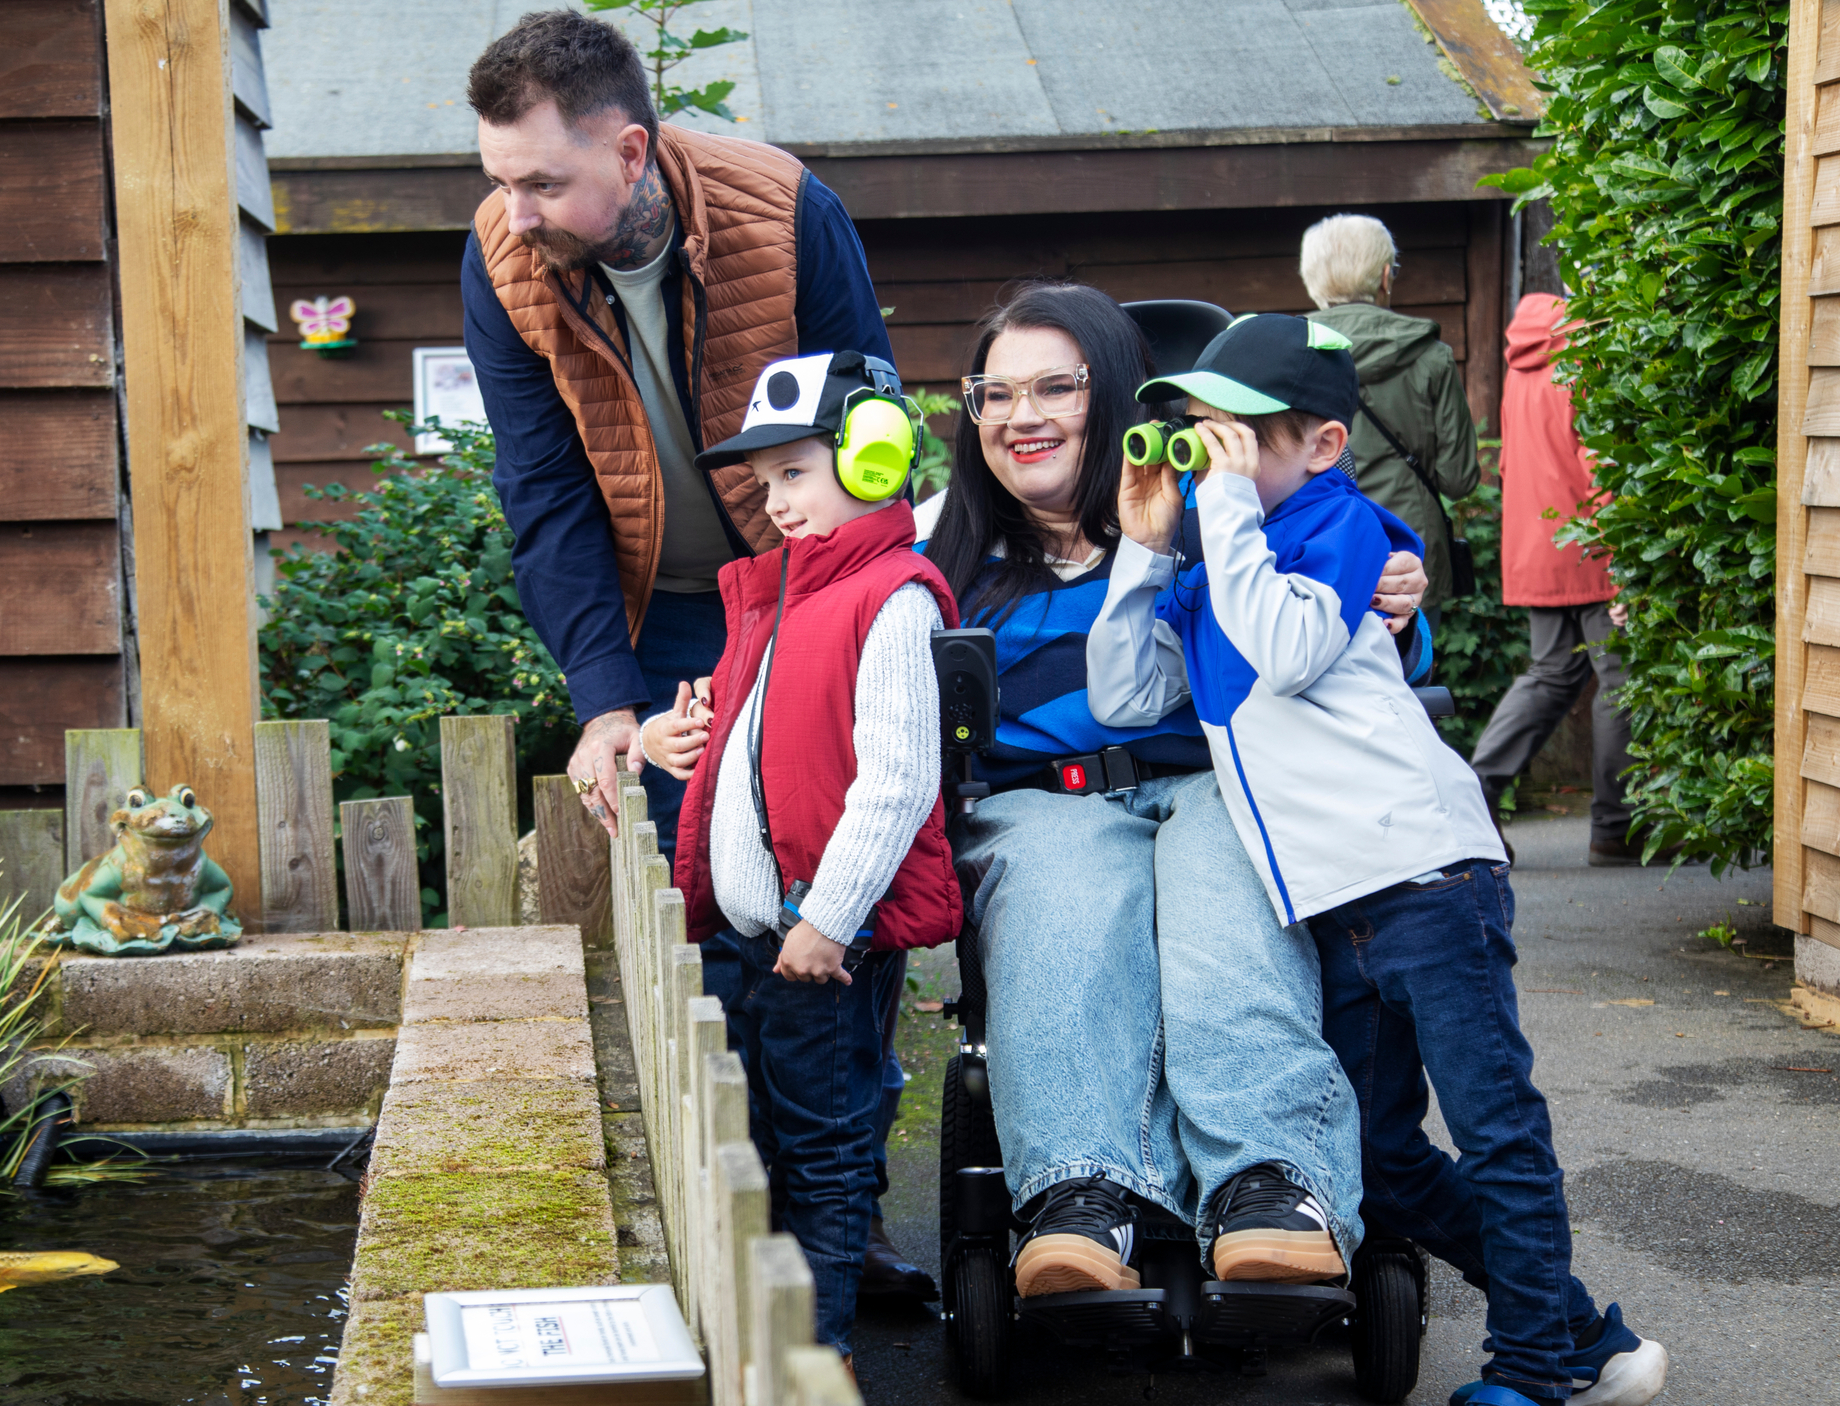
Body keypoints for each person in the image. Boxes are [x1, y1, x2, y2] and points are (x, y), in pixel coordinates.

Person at [1089, 312, 1668, 1406]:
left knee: (1497, 1129)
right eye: (1197, 431)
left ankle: (1536, 1369)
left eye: (1237, 436)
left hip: (1428, 882)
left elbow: (1295, 649)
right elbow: (1122, 693)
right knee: (1379, 1158)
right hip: (1333, 910)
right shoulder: (1222, 564)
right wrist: (1142, 545)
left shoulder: (1341, 525)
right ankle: (1582, 1332)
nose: (1211, 455)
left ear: (1320, 444)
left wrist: (1220, 515)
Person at [460, 10, 932, 1298]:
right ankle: (753, 1218)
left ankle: (849, 1206)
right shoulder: (502, 260)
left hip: (812, 592)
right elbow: (542, 484)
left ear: (629, 147)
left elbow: (865, 416)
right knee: (717, 906)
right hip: (668, 614)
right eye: (497, 179)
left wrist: (851, 608)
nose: (516, 211)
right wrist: (604, 698)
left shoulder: (784, 207)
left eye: (542, 181)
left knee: (837, 889)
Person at [916, 284, 1435, 1299]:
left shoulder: (1220, 506)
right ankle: (1080, 1191)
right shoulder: (945, 548)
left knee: (1224, 890)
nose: (1022, 416)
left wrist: (1396, 605)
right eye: (996, 393)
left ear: (1111, 393)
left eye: (1055, 388)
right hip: (1041, 800)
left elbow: (1340, 615)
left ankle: (1270, 1183)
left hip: (1215, 778)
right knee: (1066, 895)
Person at [638, 350, 958, 1368]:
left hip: (817, 943)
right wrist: (666, 739)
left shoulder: (889, 596)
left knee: (822, 1150)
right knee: (771, 1141)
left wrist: (830, 917)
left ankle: (815, 1359)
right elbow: (758, 746)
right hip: (759, 937)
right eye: (763, 479)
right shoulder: (777, 598)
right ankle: (781, 1343)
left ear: (871, 462)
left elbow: (897, 779)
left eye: (795, 473)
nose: (773, 499)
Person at [1469, 292, 1647, 864]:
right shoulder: (1583, 362)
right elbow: (1602, 463)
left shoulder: (1521, 367)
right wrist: (1623, 554)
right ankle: (1615, 828)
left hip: (1538, 544)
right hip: (1590, 543)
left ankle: (1475, 795)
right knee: (1619, 680)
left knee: (1552, 674)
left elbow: (1509, 464)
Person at [1304, 214, 1481, 618]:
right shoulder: (1430, 355)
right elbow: (1459, 479)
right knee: (1411, 673)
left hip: (1315, 546)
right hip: (1406, 553)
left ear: (1312, 282)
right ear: (1386, 276)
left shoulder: (1286, 355)